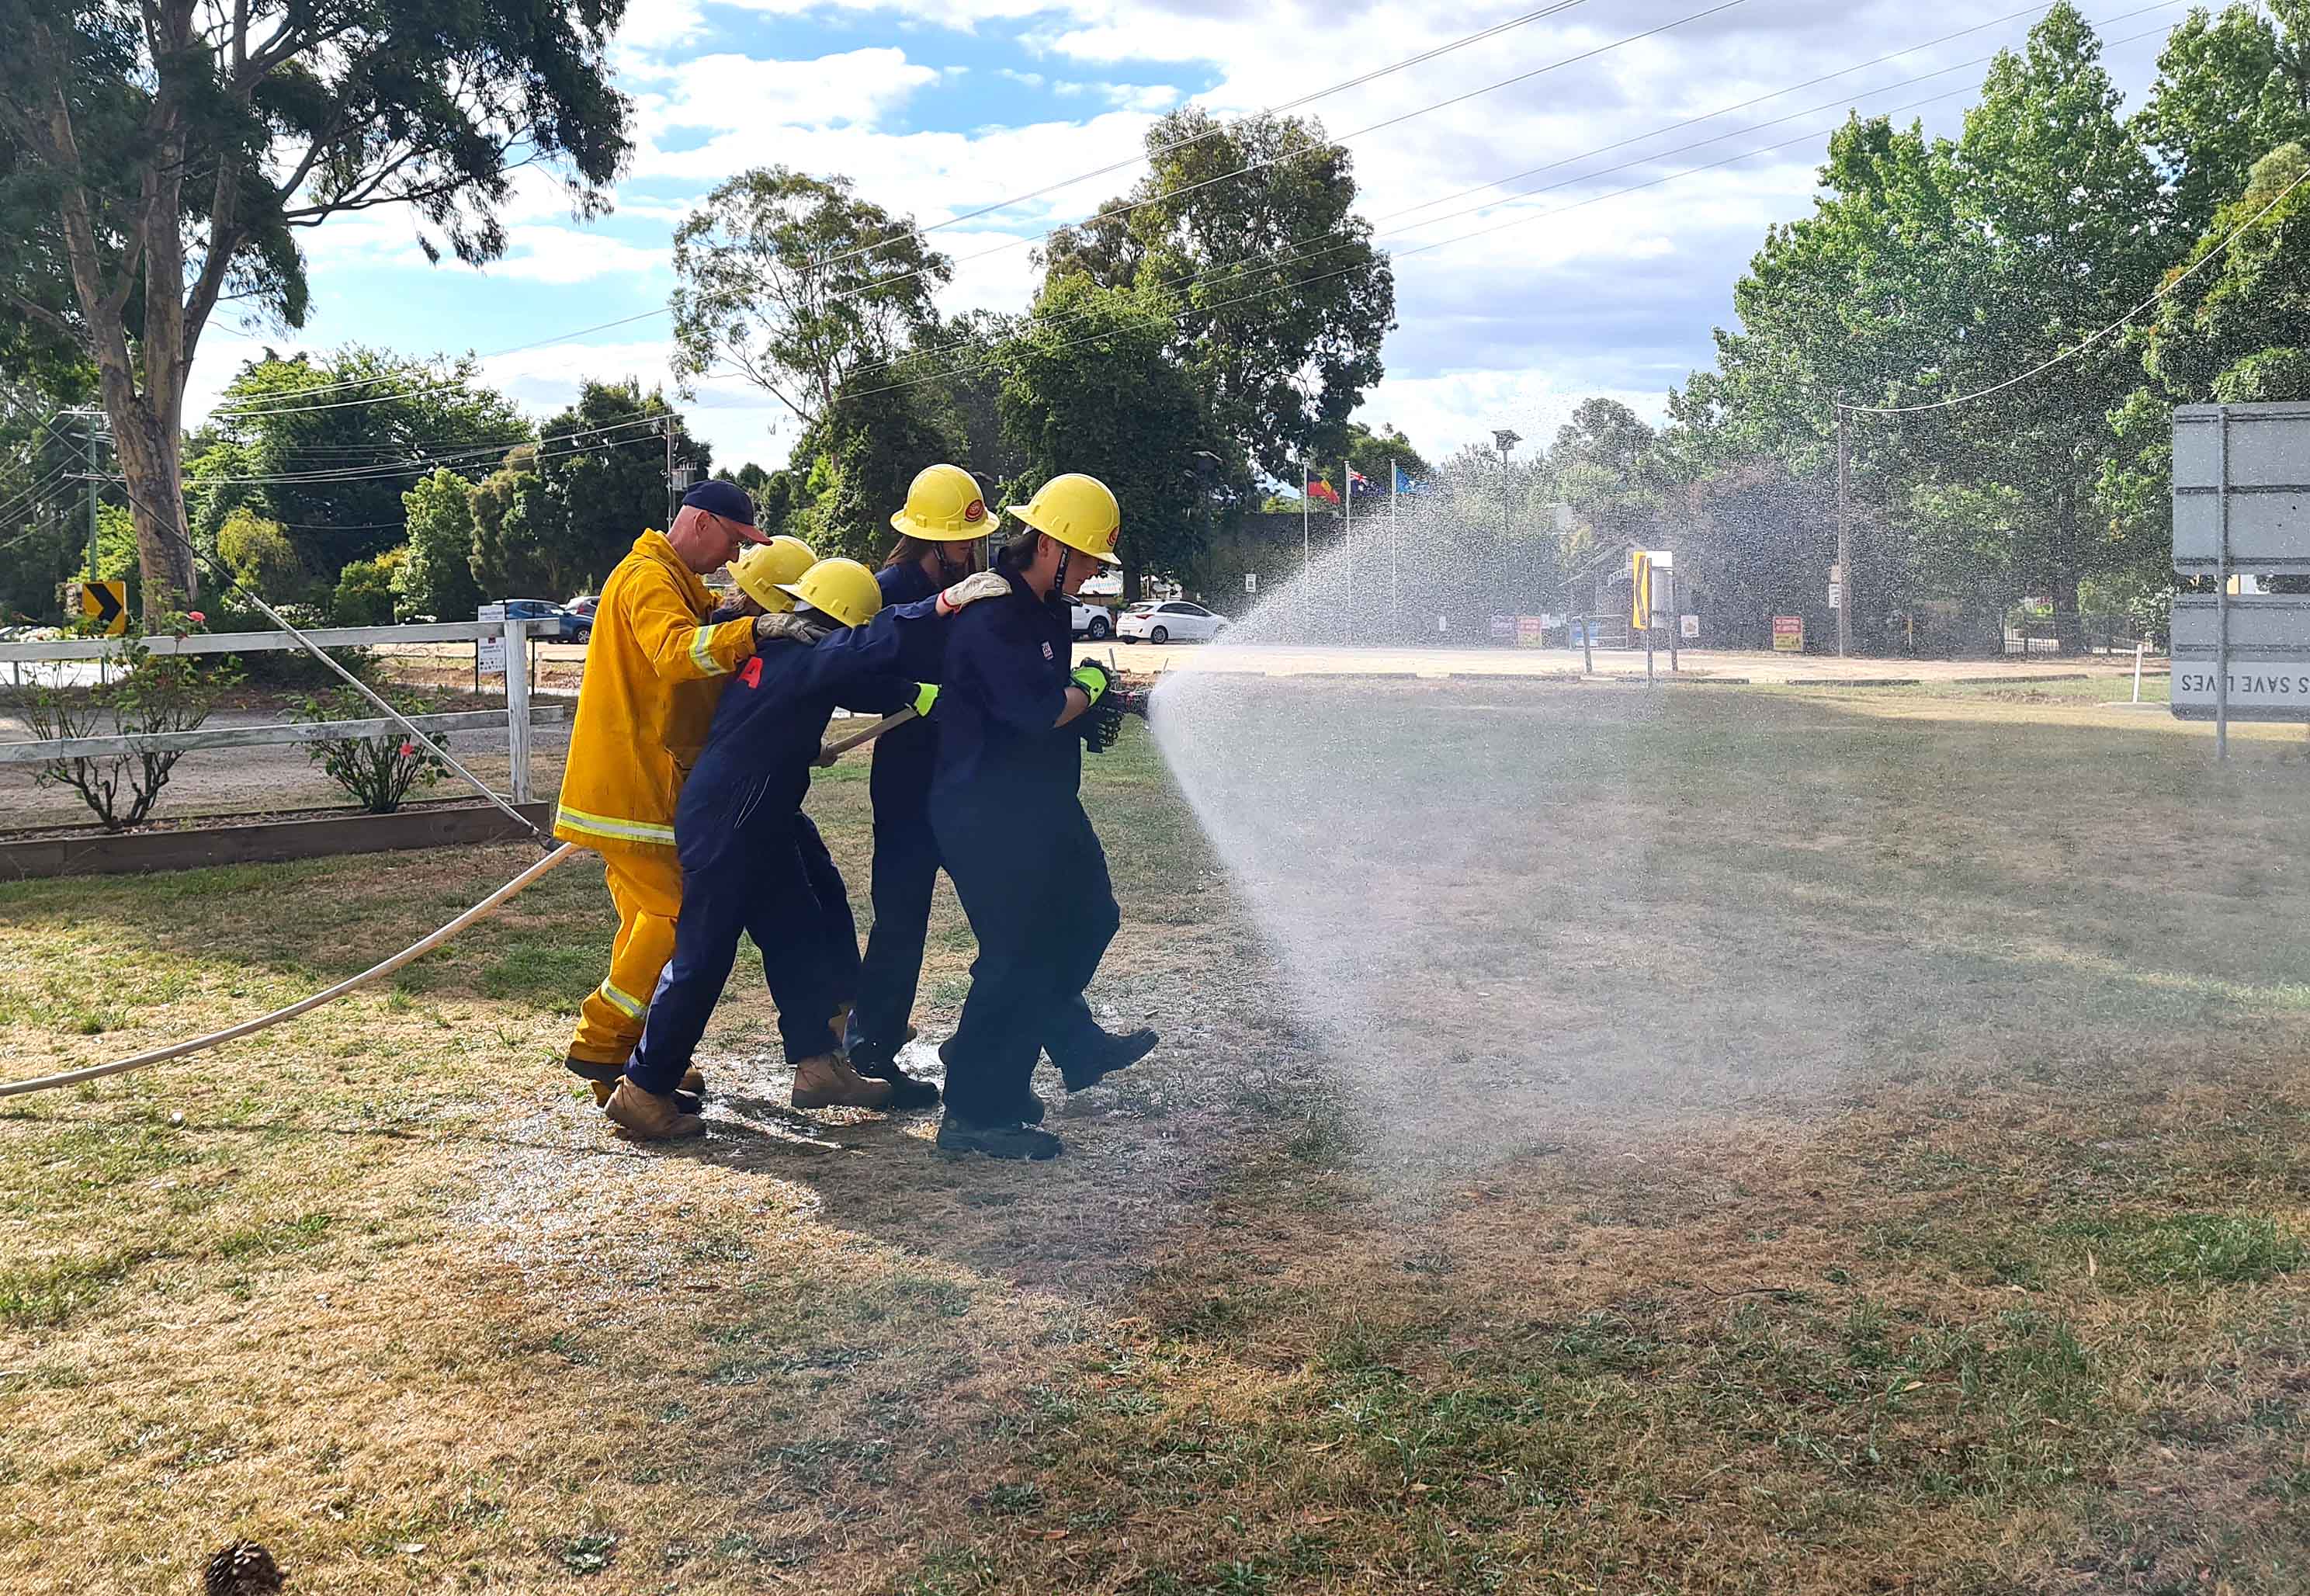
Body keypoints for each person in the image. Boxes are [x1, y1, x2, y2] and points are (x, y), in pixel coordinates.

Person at [604, 557, 1011, 1140]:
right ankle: (644, 1088)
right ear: (842, 621)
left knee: (798, 934)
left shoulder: (794, 652)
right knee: (703, 957)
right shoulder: (807, 654)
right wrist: (941, 605)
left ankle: (819, 1066)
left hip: (756, 814)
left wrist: (917, 694)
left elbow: (851, 678)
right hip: (732, 820)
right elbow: (865, 646)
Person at [552, 481, 812, 1109]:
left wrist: (726, 616)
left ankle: (631, 1055)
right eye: (730, 540)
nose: (731, 559)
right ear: (698, 522)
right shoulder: (647, 578)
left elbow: (693, 631)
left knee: (644, 924)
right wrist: (754, 630)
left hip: (638, 788)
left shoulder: (670, 579)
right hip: (632, 791)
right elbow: (674, 653)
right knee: (674, 919)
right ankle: (605, 1045)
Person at [929, 473, 1160, 1161]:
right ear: (1053, 547)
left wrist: (1093, 712)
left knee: (1091, 919)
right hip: (986, 810)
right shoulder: (994, 615)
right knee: (1018, 954)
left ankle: (995, 1052)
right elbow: (1035, 711)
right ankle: (976, 1107)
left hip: (1044, 802)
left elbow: (1050, 704)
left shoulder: (1047, 609)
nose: (1092, 575)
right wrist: (1088, 690)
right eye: (1088, 559)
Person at [845, 463, 1001, 1110]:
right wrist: (913, 693)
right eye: (963, 541)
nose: (973, 550)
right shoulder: (887, 590)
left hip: (964, 779)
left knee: (1002, 914)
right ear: (933, 539)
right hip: (909, 783)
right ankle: (871, 1051)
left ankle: (1002, 1040)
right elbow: (850, 675)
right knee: (902, 923)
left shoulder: (971, 586)